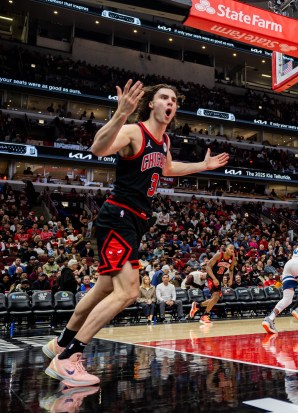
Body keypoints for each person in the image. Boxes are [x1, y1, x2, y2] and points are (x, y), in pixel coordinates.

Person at [43, 80, 229, 387]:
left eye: (174, 99)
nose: (170, 103)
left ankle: (60, 343)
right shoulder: (133, 131)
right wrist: (120, 114)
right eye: (164, 97)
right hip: (119, 216)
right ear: (152, 104)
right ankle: (69, 358)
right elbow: (98, 148)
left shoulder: (164, 140)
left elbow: (167, 170)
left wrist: (202, 165)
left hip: (134, 221)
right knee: (128, 291)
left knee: (103, 289)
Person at [189, 244, 237, 323]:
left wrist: (231, 279)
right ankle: (205, 315)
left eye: (233, 249)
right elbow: (208, 266)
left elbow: (231, 270)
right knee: (216, 296)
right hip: (211, 277)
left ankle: (197, 306)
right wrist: (214, 278)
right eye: (230, 248)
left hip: (219, 278)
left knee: (215, 299)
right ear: (226, 249)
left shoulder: (233, 259)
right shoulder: (219, 255)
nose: (232, 250)